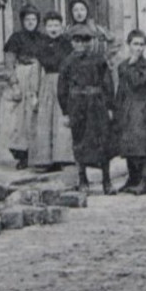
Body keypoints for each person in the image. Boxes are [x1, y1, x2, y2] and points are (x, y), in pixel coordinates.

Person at [60, 24, 117, 193]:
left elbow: (108, 83)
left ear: (90, 42)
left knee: (103, 141)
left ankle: (107, 181)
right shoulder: (67, 62)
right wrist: (65, 112)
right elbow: (62, 88)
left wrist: (110, 106)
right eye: (77, 41)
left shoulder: (99, 60)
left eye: (85, 41)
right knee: (79, 141)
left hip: (97, 105)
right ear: (72, 42)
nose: (80, 45)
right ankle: (83, 179)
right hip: (77, 105)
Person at [29, 12, 75, 169]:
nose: (53, 29)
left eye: (56, 25)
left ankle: (63, 157)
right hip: (47, 84)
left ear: (62, 27)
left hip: (65, 83)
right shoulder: (41, 46)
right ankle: (45, 158)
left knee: (62, 118)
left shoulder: (68, 45)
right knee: (45, 119)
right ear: (45, 27)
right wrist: (34, 94)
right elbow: (36, 71)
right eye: (50, 26)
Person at [113, 30, 146, 194]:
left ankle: (144, 181)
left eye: (141, 44)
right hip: (126, 107)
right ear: (128, 45)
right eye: (135, 44)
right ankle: (132, 178)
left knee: (142, 144)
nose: (138, 48)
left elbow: (138, 83)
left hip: (141, 106)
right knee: (128, 144)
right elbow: (121, 88)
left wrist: (134, 63)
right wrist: (116, 108)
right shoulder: (122, 65)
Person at [0, 43, 42, 170]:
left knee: (35, 117)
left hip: (39, 74)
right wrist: (14, 84)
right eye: (27, 21)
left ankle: (38, 155)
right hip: (20, 79)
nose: (30, 22)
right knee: (19, 120)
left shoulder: (41, 39)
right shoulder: (16, 40)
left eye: (33, 21)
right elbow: (9, 67)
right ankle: (22, 155)